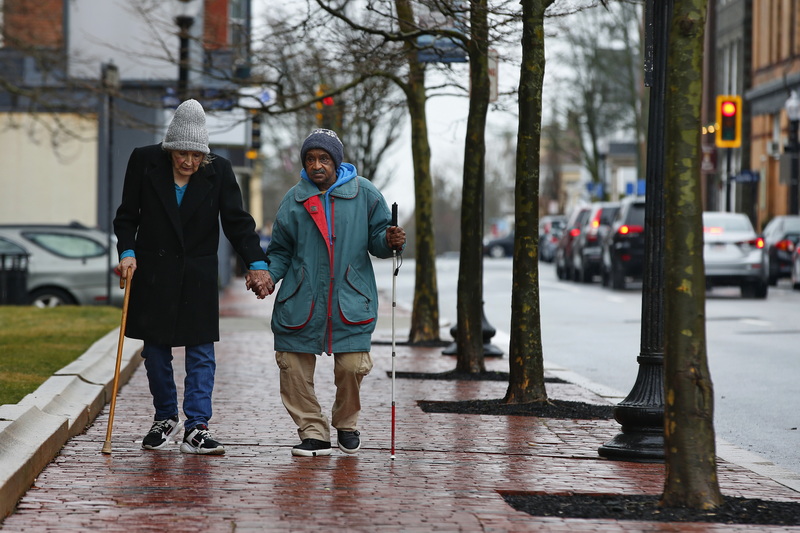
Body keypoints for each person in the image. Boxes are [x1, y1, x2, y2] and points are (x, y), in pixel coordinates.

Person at [114, 99, 273, 455]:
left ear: (205, 154)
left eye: (196, 156)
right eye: (182, 154)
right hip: (153, 271)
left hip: (197, 273)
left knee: (201, 352)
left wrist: (257, 262)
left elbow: (238, 223)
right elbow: (127, 216)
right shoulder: (144, 160)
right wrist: (127, 252)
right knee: (155, 352)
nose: (189, 162)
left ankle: (197, 426)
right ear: (170, 147)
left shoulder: (220, 171)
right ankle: (165, 417)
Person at [262, 128, 405, 457]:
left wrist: (391, 240)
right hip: (301, 301)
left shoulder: (365, 193)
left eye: (323, 159)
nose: (316, 165)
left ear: (336, 161)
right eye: (310, 159)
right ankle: (313, 430)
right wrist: (268, 276)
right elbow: (280, 250)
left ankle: (347, 423)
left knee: (353, 366)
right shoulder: (294, 199)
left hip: (350, 300)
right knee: (292, 367)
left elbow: (380, 238)